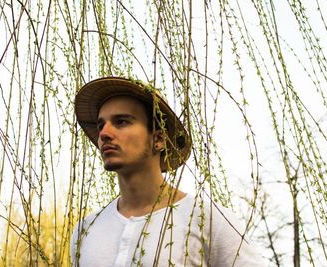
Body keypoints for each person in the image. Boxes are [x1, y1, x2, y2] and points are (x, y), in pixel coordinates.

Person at [71, 77, 264, 266]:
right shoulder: (86, 231)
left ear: (158, 139)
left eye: (121, 122)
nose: (104, 133)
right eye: (100, 125)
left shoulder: (208, 220)